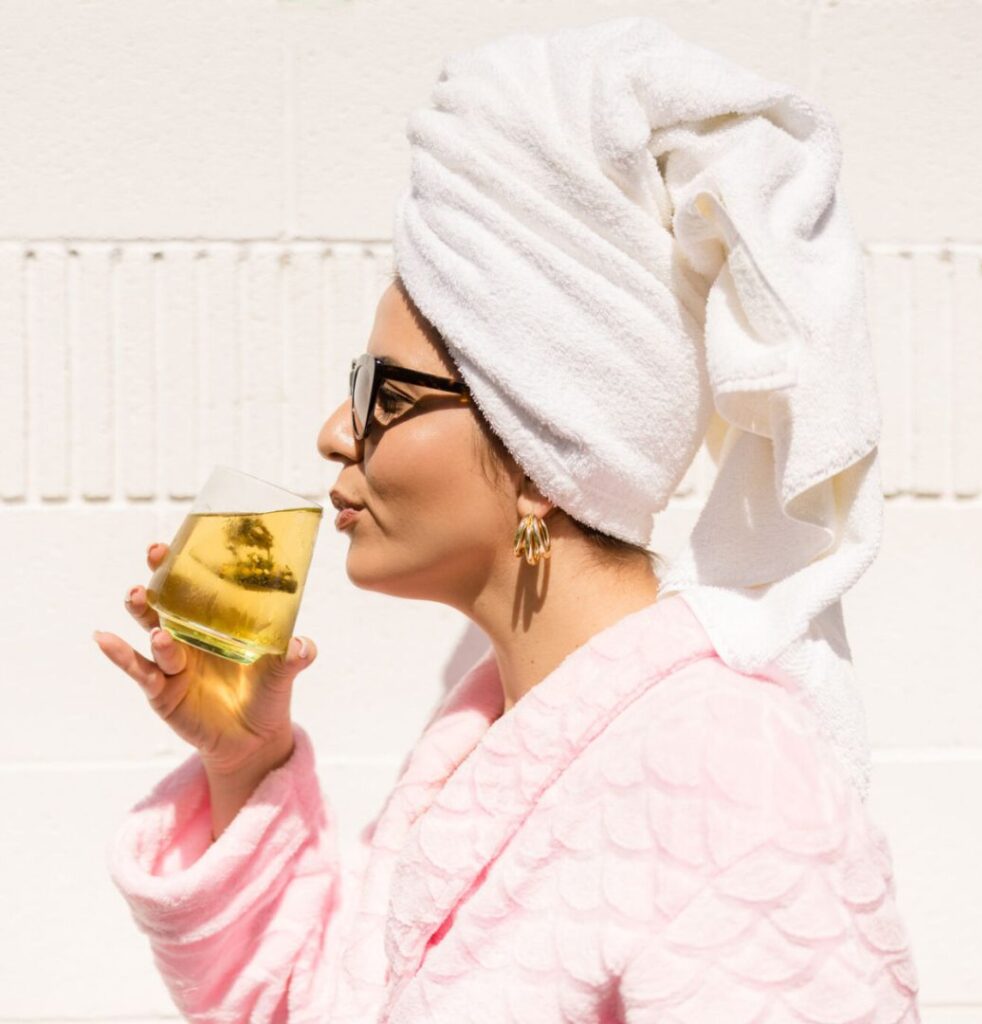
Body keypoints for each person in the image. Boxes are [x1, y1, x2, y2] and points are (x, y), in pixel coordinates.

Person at [98, 16, 922, 1024]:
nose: (332, 433)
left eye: (379, 394)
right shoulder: (484, 744)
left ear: (542, 457)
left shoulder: (728, 772)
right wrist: (244, 758)